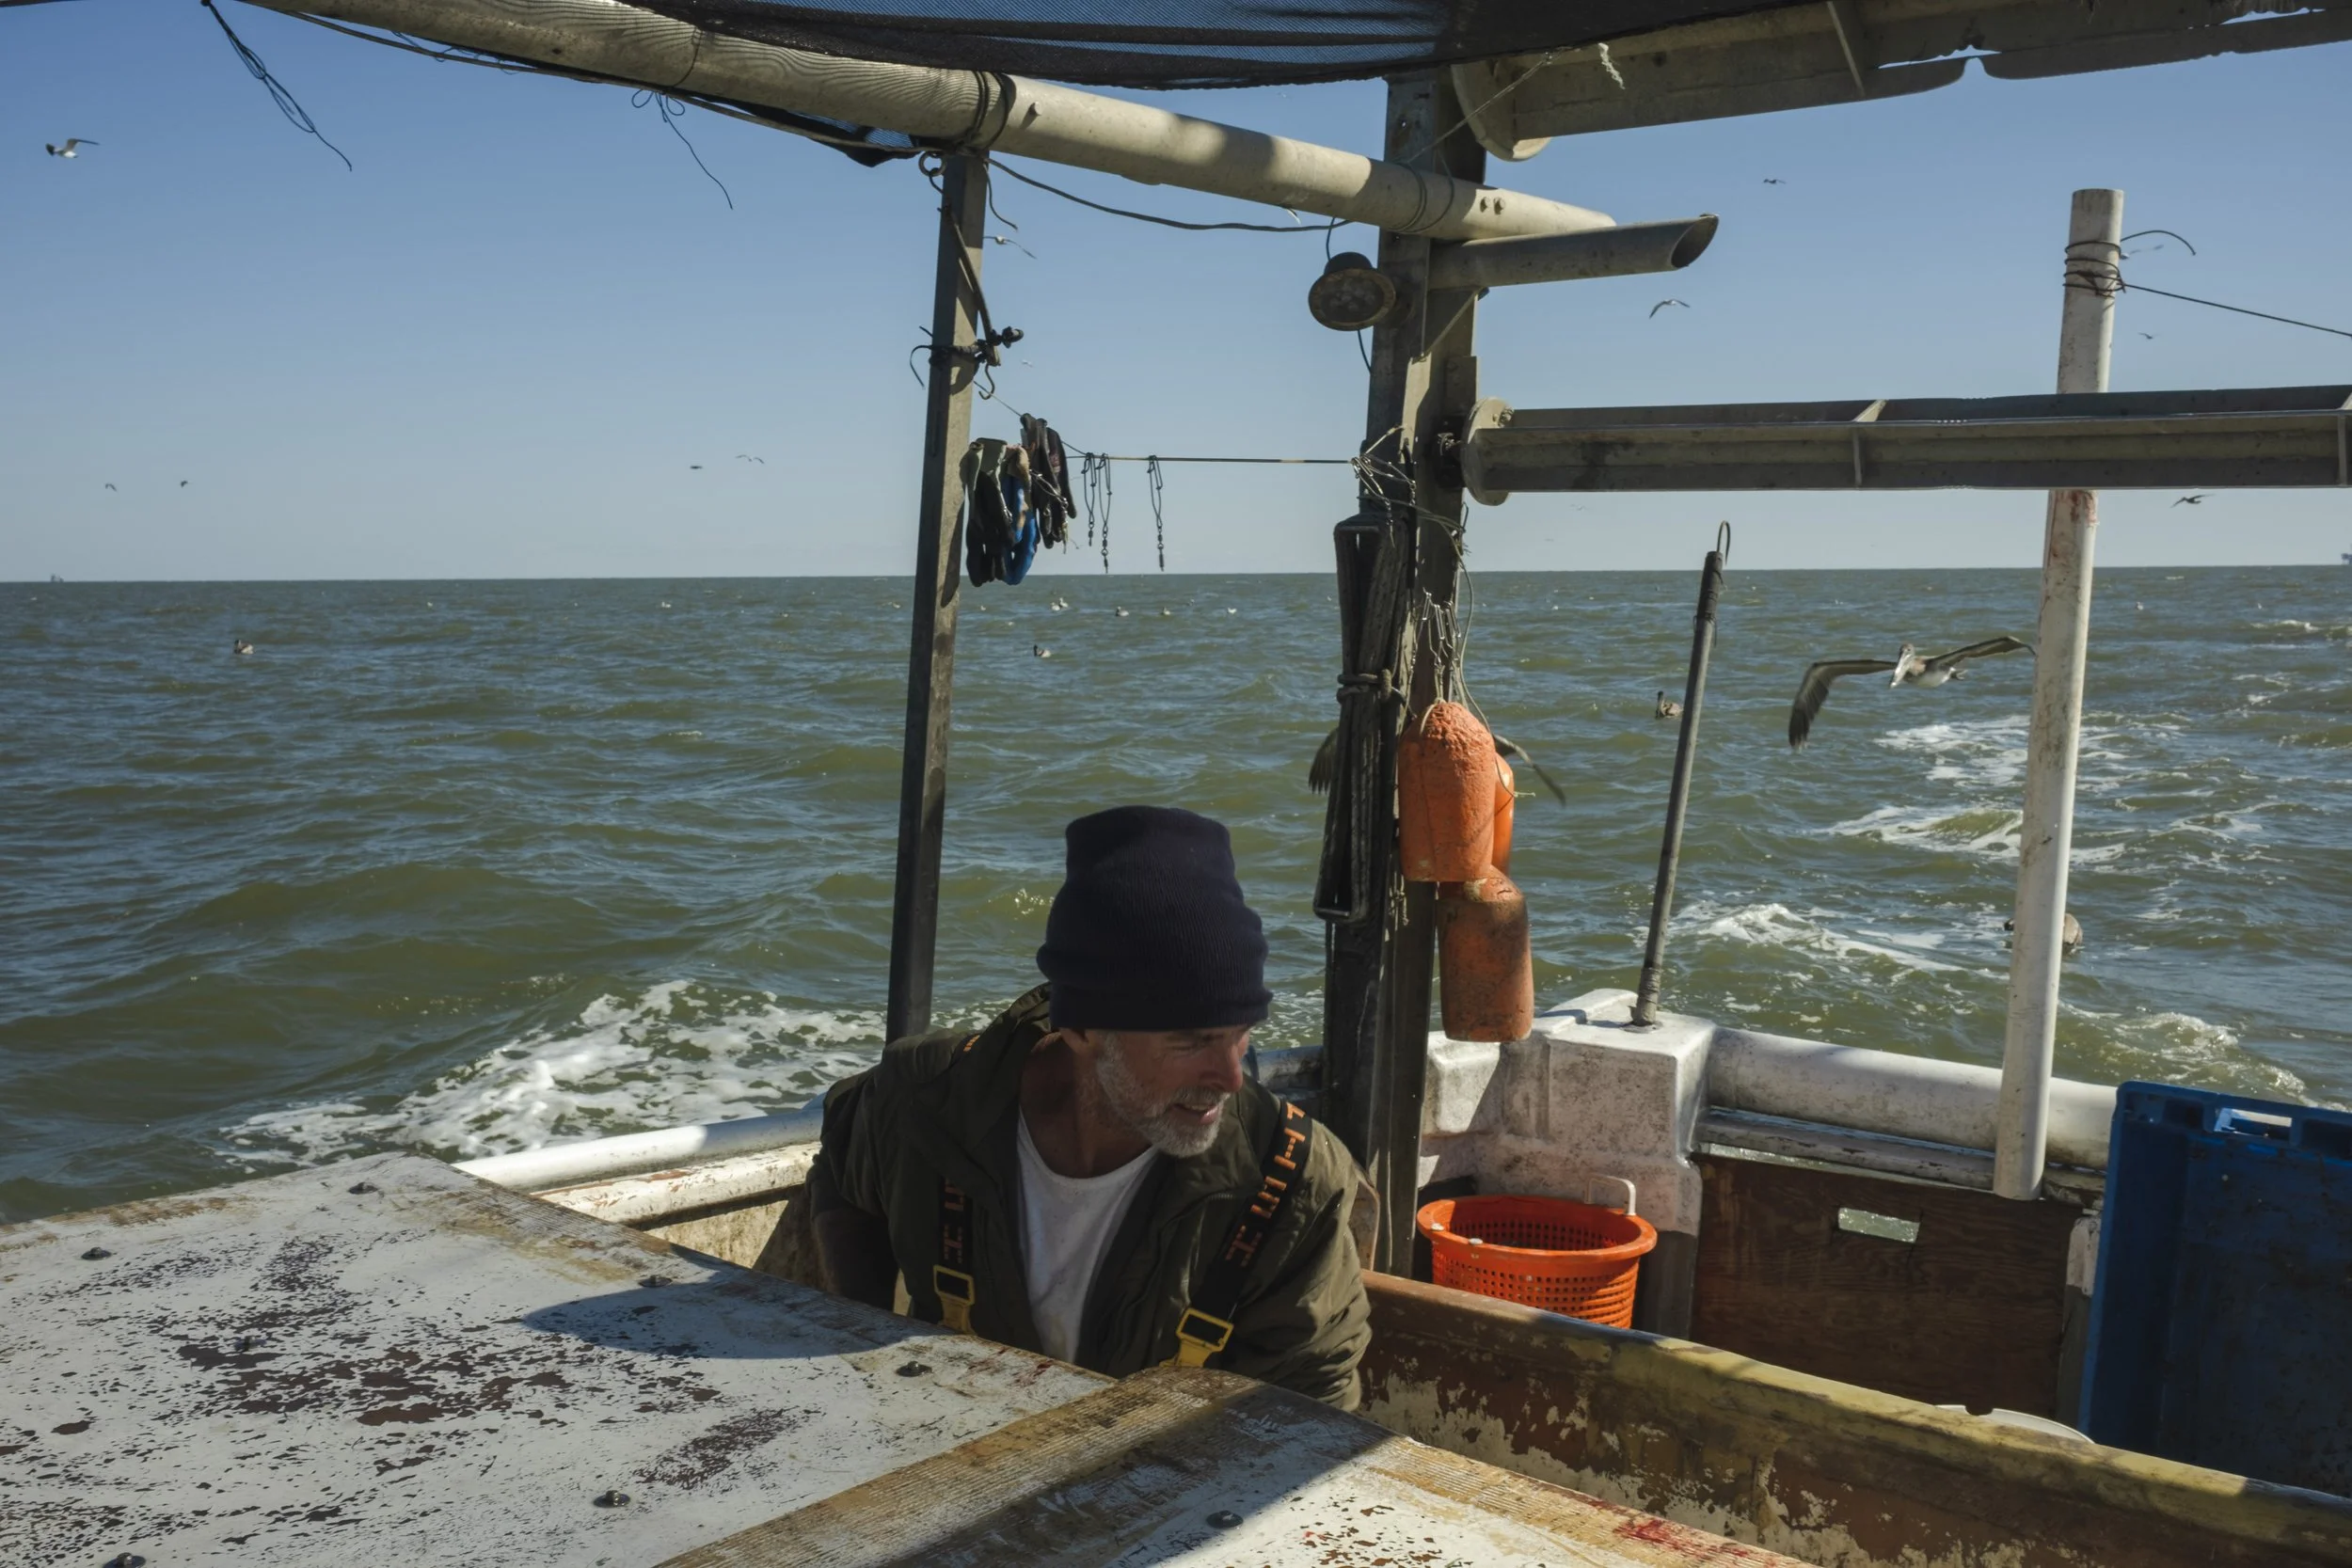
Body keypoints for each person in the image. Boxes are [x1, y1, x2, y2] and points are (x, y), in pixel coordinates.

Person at [806, 805, 1372, 1408]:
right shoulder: (927, 1100)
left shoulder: (1294, 1182)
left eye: (1242, 1032)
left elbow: (1312, 1407)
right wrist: (864, 1341)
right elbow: (841, 1173)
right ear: (1080, 1030)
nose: (1231, 1077)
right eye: (1190, 1040)